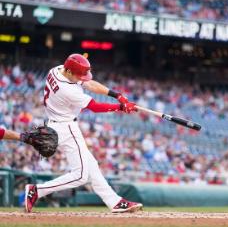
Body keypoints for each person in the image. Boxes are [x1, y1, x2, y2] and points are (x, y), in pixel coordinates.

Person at [24, 53, 143, 213]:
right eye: (79, 74)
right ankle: (37, 190)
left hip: (57, 123)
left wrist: (117, 96)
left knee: (91, 166)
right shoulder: (68, 90)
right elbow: (94, 107)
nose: (83, 78)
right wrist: (120, 107)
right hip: (66, 127)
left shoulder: (58, 70)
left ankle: (114, 202)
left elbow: (90, 84)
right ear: (70, 72)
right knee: (80, 175)